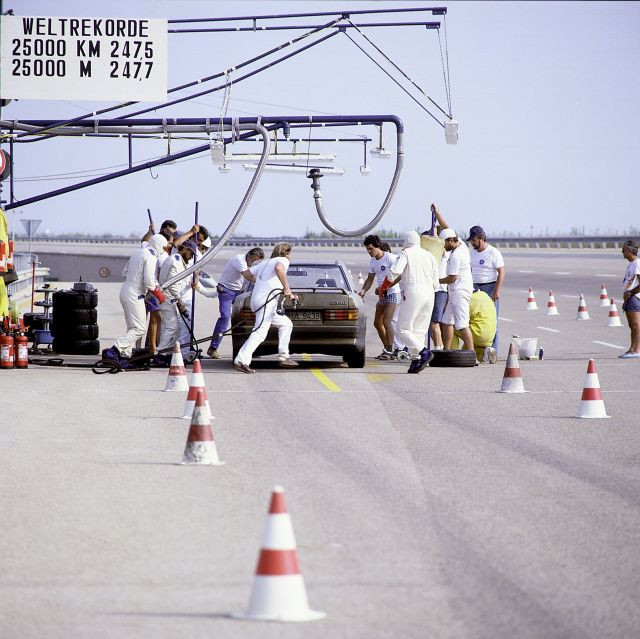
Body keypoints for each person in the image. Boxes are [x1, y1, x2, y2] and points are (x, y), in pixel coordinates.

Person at [233, 242, 298, 373]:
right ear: (286, 252)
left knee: (286, 324)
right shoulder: (282, 260)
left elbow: (247, 273)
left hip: (258, 300)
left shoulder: (264, 263)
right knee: (260, 333)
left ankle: (284, 356)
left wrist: (262, 283)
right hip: (265, 302)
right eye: (290, 253)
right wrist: (287, 289)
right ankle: (241, 360)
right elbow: (279, 269)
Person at [105, 233, 167, 364]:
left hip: (126, 290)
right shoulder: (150, 257)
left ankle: (124, 356)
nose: (165, 250)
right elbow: (149, 282)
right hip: (135, 294)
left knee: (132, 328)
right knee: (140, 329)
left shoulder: (138, 253)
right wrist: (159, 295)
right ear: (160, 246)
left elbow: (124, 272)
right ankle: (114, 350)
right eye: (165, 247)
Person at [384, 230, 439, 373]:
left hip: (414, 292)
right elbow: (436, 281)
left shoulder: (406, 253)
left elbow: (394, 273)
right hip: (430, 293)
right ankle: (416, 360)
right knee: (418, 331)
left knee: (402, 329)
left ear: (406, 242)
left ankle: (423, 352)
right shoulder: (429, 255)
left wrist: (383, 288)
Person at [207, 247, 265, 359]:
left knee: (250, 316)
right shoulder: (239, 260)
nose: (253, 263)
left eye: (255, 262)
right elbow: (248, 276)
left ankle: (250, 348)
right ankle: (213, 348)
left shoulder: (249, 262)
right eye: (253, 261)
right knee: (225, 317)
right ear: (249, 256)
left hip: (238, 293)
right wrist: (264, 283)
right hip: (227, 291)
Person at [358, 234, 400, 359]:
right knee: (377, 322)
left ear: (377, 246)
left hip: (393, 293)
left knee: (387, 321)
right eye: (367, 249)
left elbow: (400, 275)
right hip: (382, 294)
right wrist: (363, 290)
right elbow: (370, 279)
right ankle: (387, 349)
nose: (369, 251)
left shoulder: (390, 258)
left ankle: (390, 350)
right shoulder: (373, 262)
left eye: (371, 249)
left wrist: (386, 286)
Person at [156, 239, 198, 361]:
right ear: (184, 249)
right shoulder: (176, 261)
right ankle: (162, 355)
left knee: (177, 327)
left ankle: (168, 353)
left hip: (170, 298)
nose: (191, 258)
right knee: (171, 327)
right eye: (191, 254)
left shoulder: (178, 261)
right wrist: (180, 301)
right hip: (168, 298)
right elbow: (173, 284)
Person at [467, 225, 504, 355]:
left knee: (492, 321)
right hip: (475, 288)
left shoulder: (493, 252)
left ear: (481, 238)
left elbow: (501, 272)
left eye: (474, 240)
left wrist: (496, 291)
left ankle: (493, 351)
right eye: (471, 240)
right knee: (475, 320)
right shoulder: (471, 253)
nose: (472, 242)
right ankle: (477, 350)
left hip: (490, 287)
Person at [438, 228, 475, 352]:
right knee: (446, 321)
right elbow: (447, 227)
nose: (443, 247)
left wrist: (437, 281)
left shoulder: (456, 255)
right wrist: (437, 213)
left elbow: (452, 278)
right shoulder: (462, 245)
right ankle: (446, 350)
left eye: (443, 244)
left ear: (450, 241)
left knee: (462, 324)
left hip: (460, 291)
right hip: (455, 291)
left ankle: (471, 354)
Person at [424, 204, 450, 350]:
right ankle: (438, 347)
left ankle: (439, 349)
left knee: (435, 322)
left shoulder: (445, 249)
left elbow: (445, 229)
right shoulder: (430, 250)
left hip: (440, 289)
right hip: (431, 287)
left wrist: (437, 214)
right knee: (431, 322)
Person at [451, 290, 498, 363]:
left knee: (450, 326)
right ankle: (485, 352)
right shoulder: (484, 295)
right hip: (490, 336)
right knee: (467, 349)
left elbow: (457, 319)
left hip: (478, 333)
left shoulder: (468, 300)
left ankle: (452, 353)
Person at [620, 239, 640, 359]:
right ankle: (631, 349)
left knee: (636, 325)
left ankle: (637, 350)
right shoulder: (631, 264)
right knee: (632, 326)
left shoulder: (637, 264)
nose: (622, 251)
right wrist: (625, 298)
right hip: (629, 298)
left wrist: (631, 293)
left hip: (634, 297)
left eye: (624, 249)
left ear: (630, 250)